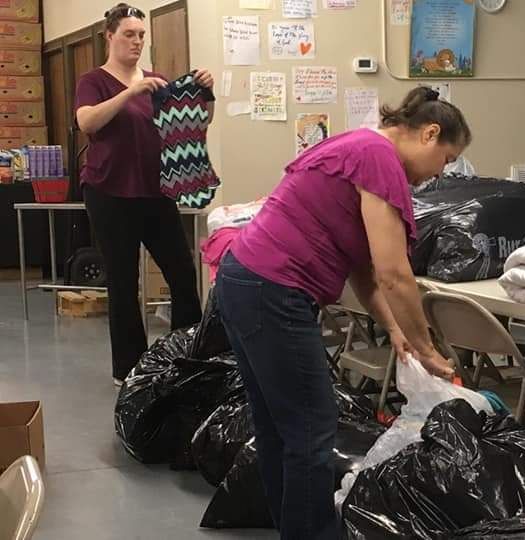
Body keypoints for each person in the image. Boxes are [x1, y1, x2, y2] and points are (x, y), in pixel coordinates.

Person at [216, 87, 470, 539]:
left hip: (245, 279)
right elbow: (394, 274)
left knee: (280, 428)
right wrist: (429, 349)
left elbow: (362, 268)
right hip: (274, 289)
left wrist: (397, 331)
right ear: (430, 134)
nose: (440, 173)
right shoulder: (379, 158)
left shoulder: (357, 145)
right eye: (447, 159)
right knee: (312, 429)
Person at [75, 3, 214, 385]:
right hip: (109, 194)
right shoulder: (95, 80)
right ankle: (129, 371)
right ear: (110, 37)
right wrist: (129, 92)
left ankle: (190, 358)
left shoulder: (157, 80)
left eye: (141, 35)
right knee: (122, 281)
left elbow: (189, 125)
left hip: (156, 193)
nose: (136, 41)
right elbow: (86, 121)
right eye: (128, 35)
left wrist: (206, 93)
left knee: (183, 274)